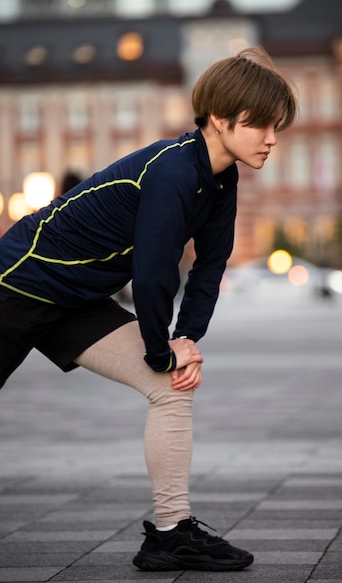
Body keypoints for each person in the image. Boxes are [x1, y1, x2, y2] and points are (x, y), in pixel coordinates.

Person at [0, 47, 297, 572]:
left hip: (76, 302)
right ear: (222, 120)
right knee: (166, 369)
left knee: (170, 386)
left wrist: (186, 342)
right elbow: (154, 272)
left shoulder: (221, 178)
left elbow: (210, 264)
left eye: (277, 126)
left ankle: (170, 534)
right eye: (261, 126)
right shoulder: (173, 170)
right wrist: (160, 348)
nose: (272, 139)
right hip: (17, 286)